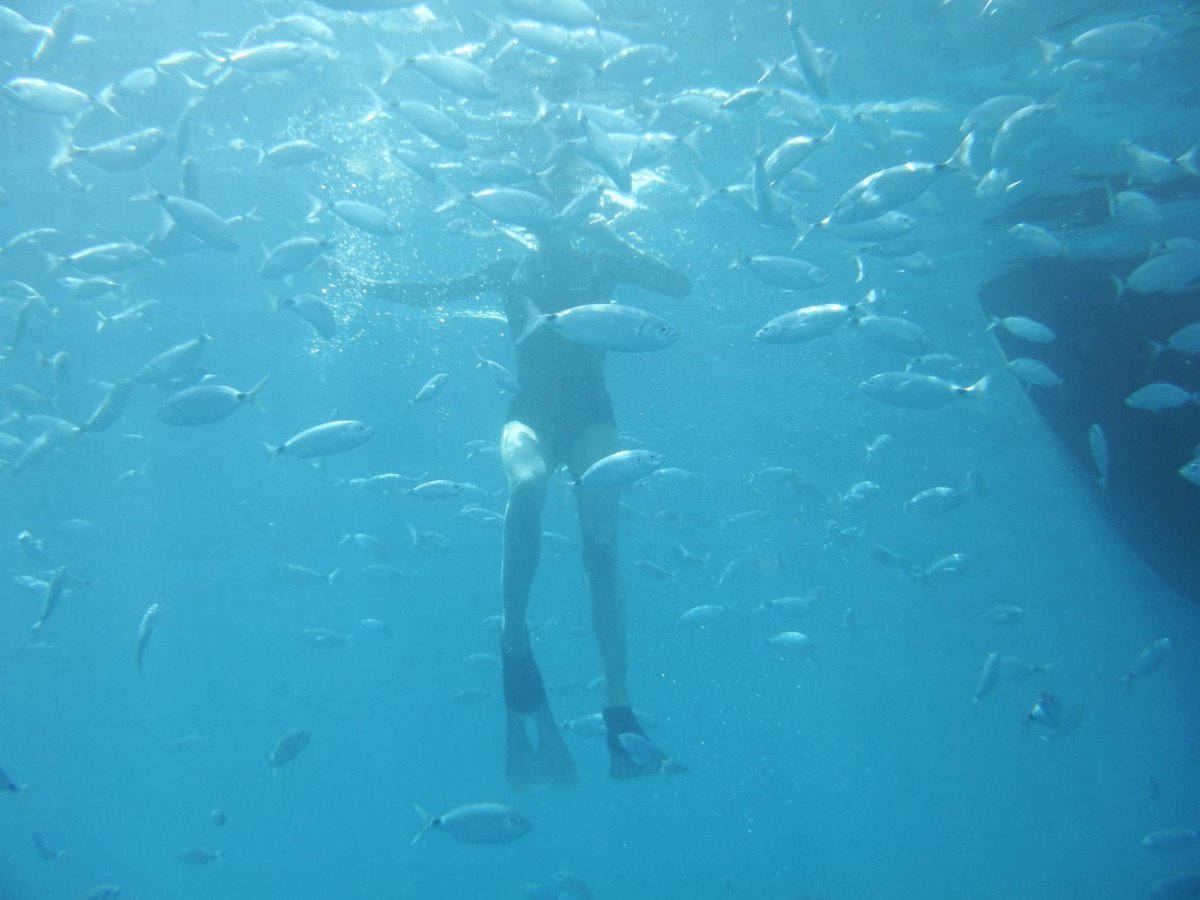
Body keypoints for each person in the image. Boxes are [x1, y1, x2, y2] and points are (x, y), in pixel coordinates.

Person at [369, 215, 691, 788]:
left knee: (601, 547)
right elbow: (435, 294)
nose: (554, 217)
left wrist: (614, 239)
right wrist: (366, 281)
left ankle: (619, 709)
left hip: (593, 415)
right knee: (526, 487)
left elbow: (677, 287)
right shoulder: (509, 267)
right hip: (531, 412)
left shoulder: (603, 261)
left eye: (566, 202)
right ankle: (513, 637)